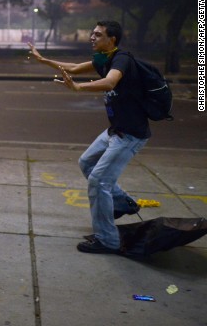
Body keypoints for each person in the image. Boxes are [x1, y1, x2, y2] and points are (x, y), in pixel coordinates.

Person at [28, 20, 146, 254]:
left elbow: (111, 81)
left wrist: (79, 88)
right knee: (86, 163)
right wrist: (44, 60)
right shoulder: (103, 59)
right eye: (92, 34)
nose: (92, 37)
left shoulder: (121, 59)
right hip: (115, 130)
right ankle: (124, 203)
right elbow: (72, 68)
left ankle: (107, 240)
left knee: (99, 181)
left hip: (130, 134)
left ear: (112, 39)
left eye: (98, 34)